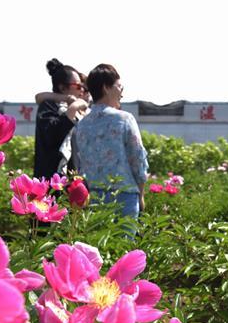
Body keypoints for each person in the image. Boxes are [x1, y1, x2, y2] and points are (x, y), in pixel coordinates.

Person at [71, 64, 148, 220]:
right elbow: (138, 158)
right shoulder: (124, 119)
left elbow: (80, 164)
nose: (122, 93)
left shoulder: (82, 124)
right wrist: (141, 195)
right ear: (106, 88)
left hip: (93, 198)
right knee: (124, 244)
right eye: (119, 87)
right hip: (124, 197)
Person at [34, 59, 89, 180]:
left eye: (83, 87)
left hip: (74, 181)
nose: (82, 91)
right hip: (51, 182)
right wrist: (73, 108)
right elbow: (53, 135)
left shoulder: (79, 112)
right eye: (78, 86)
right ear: (63, 88)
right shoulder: (48, 106)